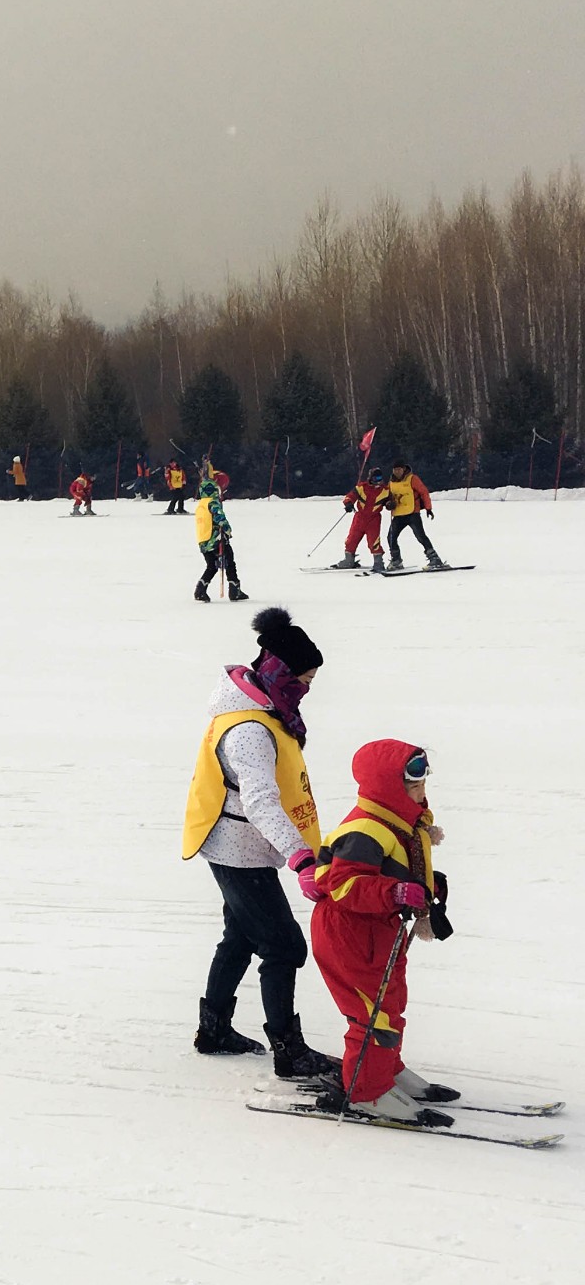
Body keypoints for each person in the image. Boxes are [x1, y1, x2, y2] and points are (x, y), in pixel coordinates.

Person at [181, 607, 341, 1078]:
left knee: (240, 935)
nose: (307, 689)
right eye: (304, 679)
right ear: (280, 672)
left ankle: (214, 1030)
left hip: (240, 843)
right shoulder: (249, 729)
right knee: (283, 945)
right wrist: (301, 858)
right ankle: (289, 1053)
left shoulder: (267, 711)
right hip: (238, 848)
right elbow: (261, 803)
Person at [303, 741, 458, 1126]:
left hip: (379, 929)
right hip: (349, 933)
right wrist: (394, 892)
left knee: (392, 1003)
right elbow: (342, 884)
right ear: (388, 786)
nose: (422, 792)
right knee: (372, 1016)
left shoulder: (398, 822)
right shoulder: (366, 830)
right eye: (412, 785)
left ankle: (387, 1071)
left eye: (423, 783)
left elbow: (393, 865)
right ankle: (366, 1093)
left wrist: (422, 884)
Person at [383, 460, 444, 571]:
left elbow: (423, 492)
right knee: (391, 537)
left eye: (399, 469)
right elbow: (388, 497)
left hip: (412, 513)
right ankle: (396, 560)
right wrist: (388, 504)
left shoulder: (412, 479)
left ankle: (435, 559)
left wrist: (428, 508)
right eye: (395, 470)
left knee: (420, 536)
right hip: (398, 514)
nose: (397, 472)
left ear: (403, 469)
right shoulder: (391, 482)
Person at [192, 478, 245, 601]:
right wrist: (227, 529)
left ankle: (200, 589)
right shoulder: (213, 503)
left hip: (203, 540)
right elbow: (219, 517)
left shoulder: (201, 505)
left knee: (212, 566)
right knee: (229, 562)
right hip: (216, 539)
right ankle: (234, 589)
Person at [332, 467, 390, 571]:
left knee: (374, 541)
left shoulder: (385, 490)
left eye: (380, 478)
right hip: (359, 518)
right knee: (351, 539)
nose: (378, 480)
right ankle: (348, 559)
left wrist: (391, 504)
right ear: (371, 478)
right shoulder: (361, 487)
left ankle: (378, 562)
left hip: (374, 519)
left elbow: (389, 502)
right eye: (376, 478)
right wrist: (349, 503)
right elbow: (350, 496)